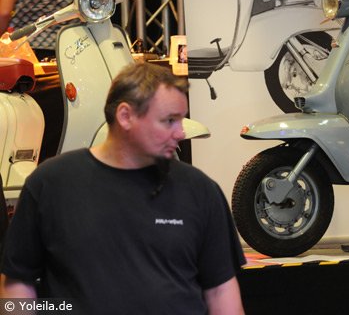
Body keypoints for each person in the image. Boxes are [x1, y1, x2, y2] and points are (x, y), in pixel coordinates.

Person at [0, 62, 246, 314]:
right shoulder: (51, 184)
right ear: (125, 116)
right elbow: (18, 281)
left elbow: (220, 290)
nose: (180, 133)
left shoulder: (200, 190)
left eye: (181, 120)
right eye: (170, 121)